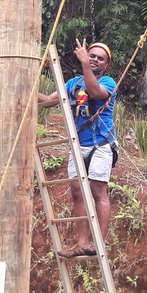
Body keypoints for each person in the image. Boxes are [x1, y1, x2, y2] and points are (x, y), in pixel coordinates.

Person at [38, 39, 118, 258]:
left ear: (106, 65)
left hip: (100, 144)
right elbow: (47, 101)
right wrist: (26, 83)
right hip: (78, 144)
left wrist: (83, 63)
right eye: (91, 56)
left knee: (97, 191)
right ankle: (81, 243)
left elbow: (94, 92)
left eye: (100, 58)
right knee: (76, 192)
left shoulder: (109, 82)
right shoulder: (73, 84)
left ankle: (98, 243)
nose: (94, 60)